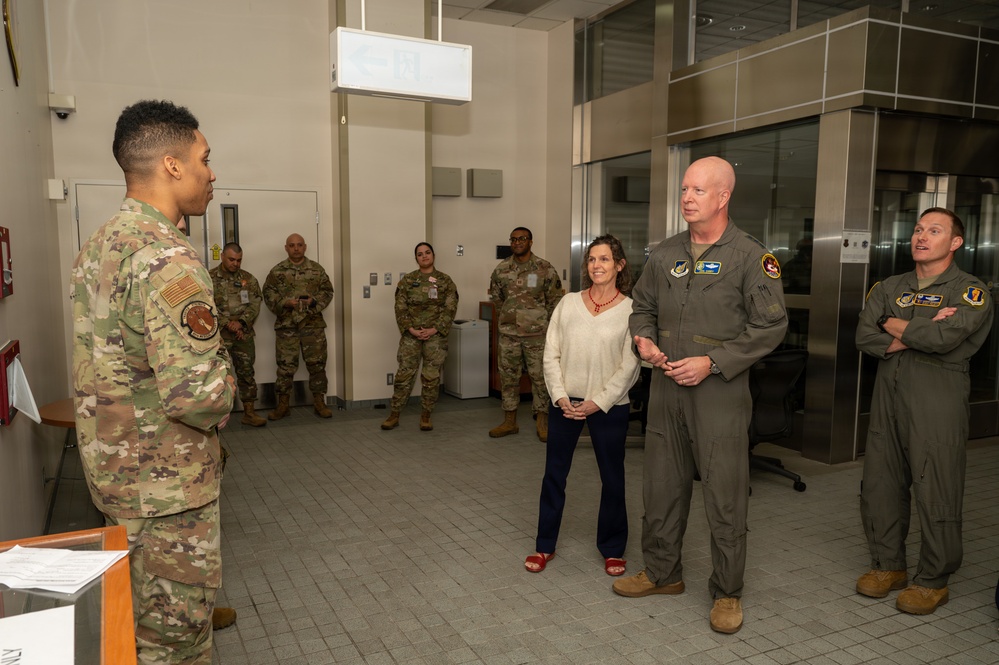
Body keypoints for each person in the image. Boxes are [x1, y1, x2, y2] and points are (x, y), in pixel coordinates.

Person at [70, 99, 236, 663]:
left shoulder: (100, 246)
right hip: (168, 491)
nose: (211, 173)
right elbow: (200, 397)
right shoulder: (168, 259)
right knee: (175, 643)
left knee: (133, 626)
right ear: (172, 164)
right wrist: (229, 376)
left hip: (117, 475)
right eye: (204, 158)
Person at [613, 156, 787, 635]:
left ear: (723, 197)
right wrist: (643, 339)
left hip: (720, 393)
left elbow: (771, 325)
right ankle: (663, 572)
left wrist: (713, 363)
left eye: (698, 191)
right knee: (661, 486)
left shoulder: (752, 257)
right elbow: (642, 306)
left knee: (725, 494)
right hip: (667, 386)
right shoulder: (665, 252)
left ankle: (727, 591)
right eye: (685, 190)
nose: (687, 198)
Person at [855, 207, 993, 615]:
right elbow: (864, 335)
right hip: (888, 398)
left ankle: (933, 578)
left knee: (937, 486)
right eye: (918, 229)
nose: (921, 236)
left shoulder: (970, 290)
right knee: (880, 483)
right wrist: (922, 327)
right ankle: (888, 566)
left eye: (934, 230)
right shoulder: (889, 285)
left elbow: (945, 340)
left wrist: (893, 324)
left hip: (938, 398)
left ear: (955, 243)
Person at [525, 235, 640, 576]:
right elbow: (551, 354)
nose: (596, 266)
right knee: (554, 476)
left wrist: (597, 403)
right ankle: (545, 544)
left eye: (604, 259)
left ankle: (613, 548)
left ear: (619, 265)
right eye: (592, 260)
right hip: (565, 404)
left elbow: (630, 365)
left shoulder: (631, 310)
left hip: (609, 406)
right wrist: (560, 396)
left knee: (613, 478)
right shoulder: (568, 304)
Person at [488, 227, 563, 442]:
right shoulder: (502, 269)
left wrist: (542, 323)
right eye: (513, 239)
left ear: (531, 242)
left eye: (522, 239)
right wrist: (510, 318)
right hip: (509, 334)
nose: (517, 242)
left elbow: (554, 300)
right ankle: (510, 421)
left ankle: (542, 421)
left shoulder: (544, 268)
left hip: (537, 335)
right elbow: (497, 298)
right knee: (508, 377)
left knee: (540, 378)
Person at [381, 242, 459, 432]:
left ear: (433, 255)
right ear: (416, 258)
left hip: (435, 337)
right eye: (420, 254)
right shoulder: (408, 281)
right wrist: (410, 328)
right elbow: (400, 307)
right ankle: (394, 414)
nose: (424, 256)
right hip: (411, 335)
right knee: (404, 376)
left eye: (427, 253)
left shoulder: (445, 281)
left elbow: (450, 308)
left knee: (431, 378)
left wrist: (435, 329)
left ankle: (426, 415)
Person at [263, 233, 335, 419]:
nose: (296, 248)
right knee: (285, 367)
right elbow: (268, 293)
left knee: (317, 365)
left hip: (313, 326)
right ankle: (283, 405)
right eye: (292, 245)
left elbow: (328, 292)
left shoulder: (317, 270)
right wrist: (285, 303)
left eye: (299, 245)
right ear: (286, 248)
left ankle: (319, 402)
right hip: (287, 327)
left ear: (305, 247)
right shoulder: (277, 271)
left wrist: (314, 302)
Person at [210, 242, 266, 427]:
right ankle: (218, 417)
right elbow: (206, 305)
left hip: (243, 334)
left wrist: (241, 323)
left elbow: (255, 302)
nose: (236, 264)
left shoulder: (248, 279)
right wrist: (228, 324)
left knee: (246, 372)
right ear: (223, 257)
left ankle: (249, 412)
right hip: (219, 335)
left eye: (239, 260)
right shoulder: (209, 277)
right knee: (219, 375)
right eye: (232, 259)